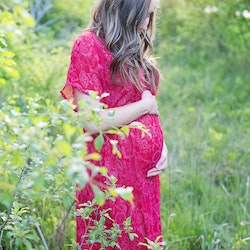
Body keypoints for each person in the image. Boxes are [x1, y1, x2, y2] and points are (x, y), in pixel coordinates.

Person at [60, 0, 168, 249]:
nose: (146, 23)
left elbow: (147, 107)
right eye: (144, 15)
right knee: (113, 240)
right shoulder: (88, 45)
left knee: (142, 240)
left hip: (144, 177)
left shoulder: (132, 46)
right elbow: (91, 120)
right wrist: (145, 106)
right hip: (109, 173)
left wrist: (161, 147)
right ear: (126, 9)